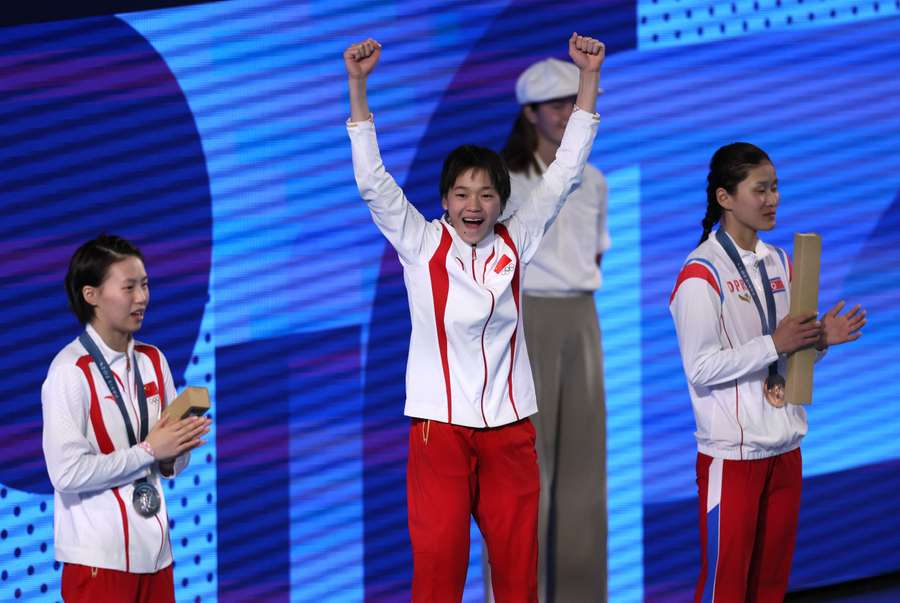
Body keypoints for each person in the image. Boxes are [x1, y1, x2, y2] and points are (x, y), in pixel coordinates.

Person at [344, 33, 604, 602]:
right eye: (461, 194)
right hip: (440, 432)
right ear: (443, 200)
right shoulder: (420, 243)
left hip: (511, 432)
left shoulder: (517, 239)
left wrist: (588, 80)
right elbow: (372, 182)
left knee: (516, 572)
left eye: (487, 195)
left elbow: (564, 172)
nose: (473, 206)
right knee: (439, 570)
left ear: (501, 202)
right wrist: (358, 87)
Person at [668, 143, 866, 602]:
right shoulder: (701, 274)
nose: (772, 199)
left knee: (770, 587)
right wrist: (774, 343)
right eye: (760, 189)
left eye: (775, 187)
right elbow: (700, 369)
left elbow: (789, 358)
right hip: (732, 458)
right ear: (725, 198)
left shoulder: (780, 261)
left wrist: (819, 342)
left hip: (786, 448)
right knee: (726, 588)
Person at [489, 56, 610, 602]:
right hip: (525, 318)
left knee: (585, 469)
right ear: (530, 113)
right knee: (525, 470)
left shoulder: (595, 180)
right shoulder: (504, 184)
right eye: (556, 105)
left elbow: (596, 258)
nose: (567, 113)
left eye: (573, 102)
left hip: (582, 319)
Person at [42, 235, 211, 603]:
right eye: (129, 287)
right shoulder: (69, 371)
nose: (142, 298)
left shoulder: (154, 360)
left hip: (157, 557)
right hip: (98, 565)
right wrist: (150, 450)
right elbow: (66, 474)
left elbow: (170, 465)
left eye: (145, 285)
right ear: (92, 295)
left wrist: (175, 451)